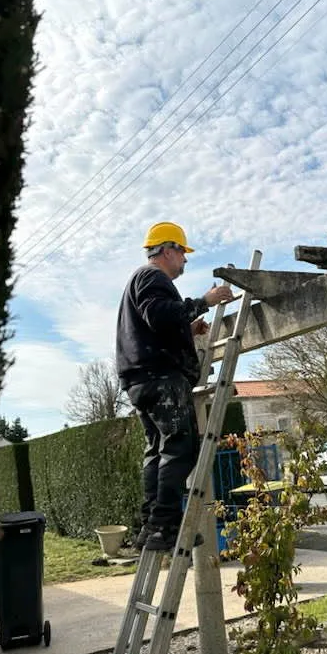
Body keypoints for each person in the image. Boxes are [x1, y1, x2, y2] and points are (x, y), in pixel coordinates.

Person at [115, 221, 233, 551]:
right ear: (168, 250)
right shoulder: (152, 276)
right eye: (182, 253)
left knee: (157, 451)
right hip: (159, 377)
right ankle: (164, 526)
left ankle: (152, 525)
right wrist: (204, 301)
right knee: (180, 447)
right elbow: (158, 315)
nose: (184, 261)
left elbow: (157, 322)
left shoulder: (141, 281)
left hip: (142, 379)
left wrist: (188, 328)